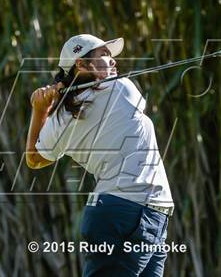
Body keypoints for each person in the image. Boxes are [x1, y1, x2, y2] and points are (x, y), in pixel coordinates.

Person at [26, 34, 174, 276]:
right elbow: (34, 160)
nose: (113, 60)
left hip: (149, 213)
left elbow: (34, 157)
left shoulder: (60, 119)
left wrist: (41, 110)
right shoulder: (123, 88)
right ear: (82, 65)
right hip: (123, 212)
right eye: (104, 55)